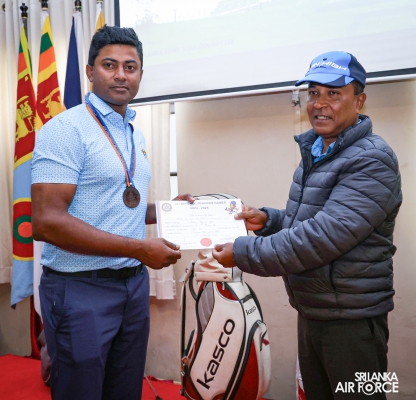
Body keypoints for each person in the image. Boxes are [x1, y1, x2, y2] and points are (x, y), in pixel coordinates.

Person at [213, 51, 402, 400]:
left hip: (353, 323)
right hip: (315, 309)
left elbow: (320, 238)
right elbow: (311, 223)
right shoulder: (317, 151)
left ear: (359, 100)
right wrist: (269, 220)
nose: (319, 103)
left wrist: (241, 252)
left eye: (334, 93)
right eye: (313, 93)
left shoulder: (373, 159)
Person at [32, 25, 193, 400]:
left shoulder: (132, 130)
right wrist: (139, 249)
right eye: (110, 65)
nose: (121, 75)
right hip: (79, 289)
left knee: (124, 390)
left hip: (132, 287)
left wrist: (167, 211)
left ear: (140, 74)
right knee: (81, 391)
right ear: (90, 71)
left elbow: (117, 204)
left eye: (130, 67)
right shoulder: (65, 130)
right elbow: (47, 223)